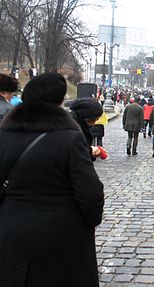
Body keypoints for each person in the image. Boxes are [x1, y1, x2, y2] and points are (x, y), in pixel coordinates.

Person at [0, 72, 104, 286]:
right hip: (62, 234)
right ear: (59, 101)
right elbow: (90, 192)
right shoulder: (70, 138)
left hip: (11, 228)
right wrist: (89, 223)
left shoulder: (4, 135)